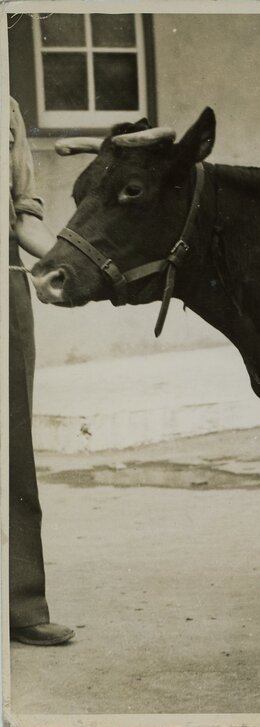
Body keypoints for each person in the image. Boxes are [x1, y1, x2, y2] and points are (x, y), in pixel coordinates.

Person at [8, 96, 74, 645]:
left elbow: (23, 211)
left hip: (4, 285)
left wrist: (73, 267)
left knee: (11, 446)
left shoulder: (5, 107)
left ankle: (21, 605)